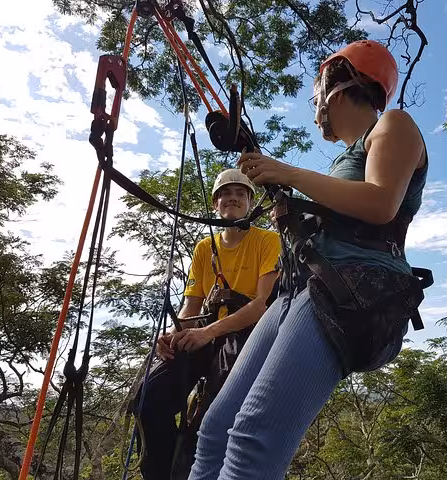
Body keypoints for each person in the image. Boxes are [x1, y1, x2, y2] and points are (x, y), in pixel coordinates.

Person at [187, 40, 430, 480]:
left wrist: (288, 173)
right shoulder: (343, 159)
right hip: (298, 290)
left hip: (348, 289)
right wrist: (280, 185)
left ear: (339, 83)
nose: (315, 104)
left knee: (251, 440)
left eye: (318, 91)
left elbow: (380, 203)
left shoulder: (393, 124)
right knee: (215, 430)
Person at [133, 169, 281, 480]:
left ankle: (198, 465)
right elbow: (191, 309)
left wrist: (206, 332)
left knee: (211, 417)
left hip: (247, 336)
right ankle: (166, 472)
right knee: (149, 399)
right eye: (226, 194)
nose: (233, 198)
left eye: (241, 194)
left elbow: (262, 305)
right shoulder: (205, 248)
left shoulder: (268, 242)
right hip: (206, 334)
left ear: (251, 203)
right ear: (216, 204)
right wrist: (173, 336)